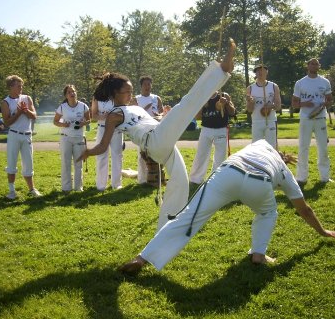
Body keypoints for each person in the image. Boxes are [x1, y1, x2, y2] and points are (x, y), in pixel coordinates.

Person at [118, 140, 335, 275]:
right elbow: (304, 209)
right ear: (282, 158)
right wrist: (323, 231)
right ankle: (258, 254)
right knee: (267, 212)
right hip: (259, 182)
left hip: (227, 173)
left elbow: (267, 150)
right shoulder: (284, 171)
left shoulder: (259, 145)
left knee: (186, 217)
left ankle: (141, 258)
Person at [78, 39, 236, 231]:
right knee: (186, 103)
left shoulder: (134, 108)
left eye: (131, 91)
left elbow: (152, 120)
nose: (130, 94)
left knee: (181, 180)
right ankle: (221, 70)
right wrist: (88, 152)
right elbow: (103, 146)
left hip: (161, 139)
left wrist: (165, 116)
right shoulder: (114, 115)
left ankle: (171, 221)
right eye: (126, 92)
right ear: (114, 94)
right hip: (154, 142)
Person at [291, 58, 333, 185]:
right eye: (312, 63)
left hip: (320, 118)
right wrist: (305, 103)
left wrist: (327, 103)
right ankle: (301, 177)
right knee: (303, 147)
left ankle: (325, 177)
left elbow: (330, 99)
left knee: (323, 147)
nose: (314, 65)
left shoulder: (325, 82)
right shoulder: (300, 83)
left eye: (316, 64)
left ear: (319, 66)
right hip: (305, 119)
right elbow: (294, 103)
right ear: (307, 66)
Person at [0, 75, 42, 199]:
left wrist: (26, 111)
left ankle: (32, 189)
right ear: (11, 87)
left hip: (27, 136)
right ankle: (12, 191)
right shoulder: (5, 102)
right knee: (12, 163)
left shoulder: (27, 98)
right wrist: (18, 113)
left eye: (22, 85)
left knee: (28, 163)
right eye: (18, 86)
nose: (21, 88)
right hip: (14, 135)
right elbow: (7, 122)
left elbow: (34, 116)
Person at [189, 91, 235, 185]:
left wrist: (226, 103)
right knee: (201, 154)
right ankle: (195, 179)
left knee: (220, 156)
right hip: (206, 129)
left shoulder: (224, 95)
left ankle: (216, 179)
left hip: (221, 129)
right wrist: (202, 105)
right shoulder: (203, 95)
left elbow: (232, 112)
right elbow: (197, 117)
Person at [53, 85, 91, 192]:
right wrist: (63, 125)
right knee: (66, 163)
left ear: (76, 93)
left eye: (73, 91)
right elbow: (55, 121)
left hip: (79, 138)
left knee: (78, 163)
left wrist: (83, 123)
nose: (72, 93)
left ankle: (78, 188)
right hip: (66, 138)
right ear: (66, 95)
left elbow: (89, 120)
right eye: (69, 92)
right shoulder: (62, 107)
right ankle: (66, 188)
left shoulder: (83, 106)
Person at [130, 76, 165, 185]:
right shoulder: (136, 99)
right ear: (141, 86)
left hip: (155, 128)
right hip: (142, 129)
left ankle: (156, 177)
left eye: (149, 84)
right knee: (142, 155)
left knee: (154, 153)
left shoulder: (156, 98)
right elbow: (134, 115)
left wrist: (159, 115)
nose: (147, 86)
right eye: (145, 84)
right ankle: (142, 179)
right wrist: (144, 109)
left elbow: (162, 112)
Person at [91, 96, 123, 191]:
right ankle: (101, 185)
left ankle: (116, 184)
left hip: (116, 129)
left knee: (117, 155)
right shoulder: (97, 97)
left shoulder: (118, 94)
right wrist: (103, 116)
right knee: (101, 155)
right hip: (102, 128)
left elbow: (123, 112)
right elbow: (93, 115)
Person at [246, 65, 281, 148]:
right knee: (256, 147)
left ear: (267, 72)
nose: (260, 72)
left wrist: (271, 106)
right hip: (257, 120)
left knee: (272, 147)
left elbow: (278, 106)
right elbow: (249, 110)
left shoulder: (273, 86)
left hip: (271, 120)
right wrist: (251, 102)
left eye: (262, 70)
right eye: (258, 71)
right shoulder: (250, 88)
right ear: (255, 73)